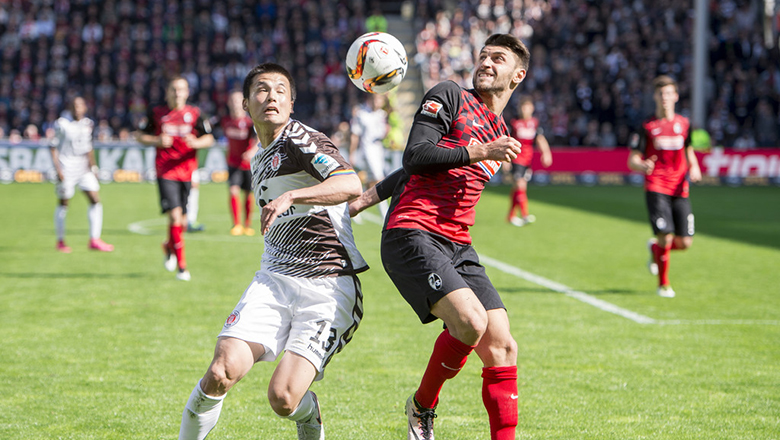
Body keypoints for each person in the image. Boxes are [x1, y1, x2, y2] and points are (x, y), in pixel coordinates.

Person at [350, 34, 529, 440]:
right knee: (470, 322)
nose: (485, 62)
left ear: (517, 75)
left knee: (503, 346)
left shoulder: (500, 129)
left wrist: (365, 198)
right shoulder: (449, 95)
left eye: (497, 59)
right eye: (483, 55)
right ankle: (421, 406)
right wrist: (481, 151)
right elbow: (416, 156)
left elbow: (411, 172)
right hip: (411, 232)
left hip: (458, 243)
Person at [178, 63, 367, 440]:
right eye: (262, 90)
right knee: (220, 372)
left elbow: (350, 183)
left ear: (292, 103)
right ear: (246, 105)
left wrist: (293, 195)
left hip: (328, 285)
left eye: (281, 90)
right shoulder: (258, 156)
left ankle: (309, 416)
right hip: (275, 280)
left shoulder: (299, 139)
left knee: (283, 398)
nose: (272, 97)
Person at [628, 75, 701, 298]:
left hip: (680, 187)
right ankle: (664, 284)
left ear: (676, 97)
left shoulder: (684, 124)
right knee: (666, 236)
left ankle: (655, 249)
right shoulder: (647, 126)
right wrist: (641, 165)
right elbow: (632, 159)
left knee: (685, 242)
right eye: (661, 94)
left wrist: (695, 166)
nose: (665, 98)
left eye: (669, 93)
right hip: (656, 186)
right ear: (655, 97)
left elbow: (688, 150)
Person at [137, 76, 214, 281]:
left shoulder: (195, 113)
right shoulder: (156, 112)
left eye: (181, 90)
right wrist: (156, 140)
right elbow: (139, 135)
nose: (177, 93)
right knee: (174, 216)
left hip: (187, 172)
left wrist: (196, 143)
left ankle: (168, 246)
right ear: (167, 92)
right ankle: (182, 267)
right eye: (173, 89)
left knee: (182, 222)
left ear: (187, 92)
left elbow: (209, 138)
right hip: (166, 171)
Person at [50, 96, 114, 253]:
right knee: (64, 203)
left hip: (83, 168)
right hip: (66, 168)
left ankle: (94, 239)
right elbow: (53, 147)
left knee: (95, 199)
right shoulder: (62, 124)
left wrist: (93, 167)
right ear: (70, 108)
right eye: (74, 106)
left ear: (85, 108)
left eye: (80, 106)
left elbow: (88, 147)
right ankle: (60, 241)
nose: (77, 109)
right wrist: (58, 170)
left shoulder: (87, 124)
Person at [506, 96, 552, 227]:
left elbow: (540, 139)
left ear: (532, 108)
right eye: (522, 107)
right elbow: (507, 140)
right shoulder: (514, 122)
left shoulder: (535, 123)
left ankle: (511, 215)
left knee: (517, 188)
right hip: (516, 159)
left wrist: (546, 153)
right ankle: (525, 215)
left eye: (527, 107)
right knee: (520, 185)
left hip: (528, 160)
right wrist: (506, 160)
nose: (525, 110)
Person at [221, 90, 258, 236]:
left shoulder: (249, 123)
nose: (235, 104)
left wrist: (252, 151)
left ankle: (247, 225)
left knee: (248, 194)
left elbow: (258, 139)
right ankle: (236, 224)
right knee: (233, 190)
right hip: (233, 163)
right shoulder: (225, 121)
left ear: (243, 103)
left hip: (248, 164)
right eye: (232, 101)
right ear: (229, 103)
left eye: (238, 101)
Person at [350, 93, 389, 216]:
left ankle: (353, 205)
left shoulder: (382, 114)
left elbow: (383, 133)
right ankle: (385, 212)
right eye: (377, 100)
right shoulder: (362, 114)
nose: (379, 103)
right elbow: (355, 135)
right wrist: (352, 153)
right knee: (378, 178)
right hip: (367, 150)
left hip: (379, 149)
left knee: (368, 182)